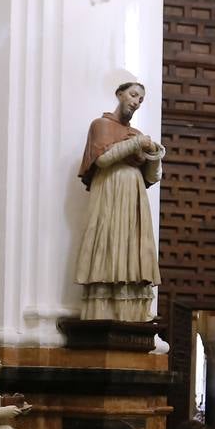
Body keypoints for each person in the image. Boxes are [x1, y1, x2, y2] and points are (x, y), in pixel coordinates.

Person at [73, 82, 165, 322]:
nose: (136, 102)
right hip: (110, 191)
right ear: (119, 94)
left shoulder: (135, 134)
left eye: (141, 100)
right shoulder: (101, 125)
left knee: (132, 245)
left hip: (134, 194)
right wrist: (136, 144)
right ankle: (103, 308)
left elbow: (152, 176)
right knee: (109, 240)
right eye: (133, 95)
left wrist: (155, 153)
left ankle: (132, 311)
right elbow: (103, 160)